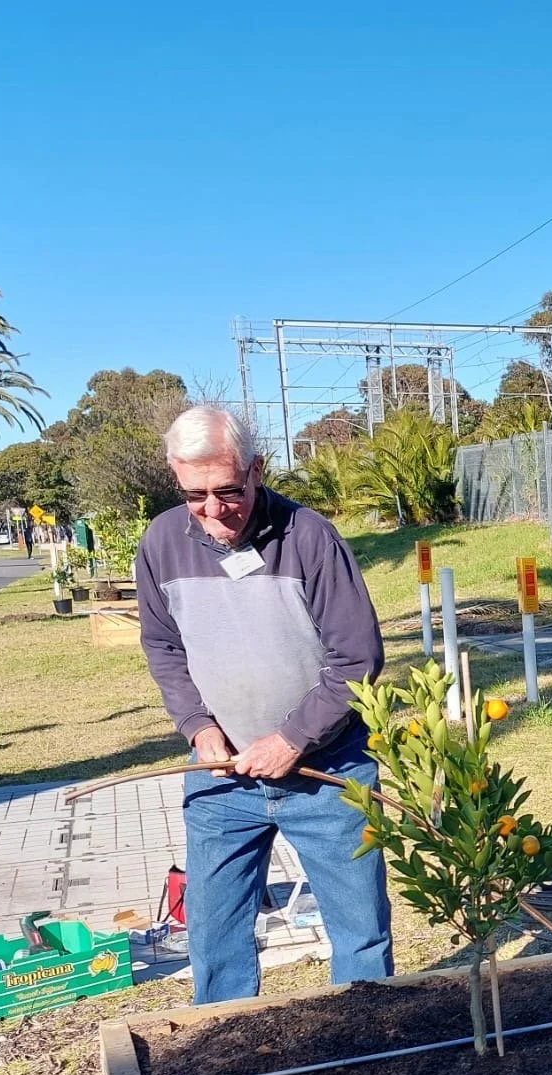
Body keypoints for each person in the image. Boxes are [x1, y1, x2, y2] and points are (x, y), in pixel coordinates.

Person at [135, 404, 394, 1004]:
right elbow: (163, 646)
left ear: (256, 469)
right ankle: (229, 1063)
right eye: (194, 495)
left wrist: (290, 740)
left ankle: (366, 1053)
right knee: (215, 934)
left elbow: (357, 660)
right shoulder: (161, 543)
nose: (213, 510)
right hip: (219, 780)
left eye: (228, 490)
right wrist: (199, 729)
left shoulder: (310, 537)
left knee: (360, 935)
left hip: (328, 772)